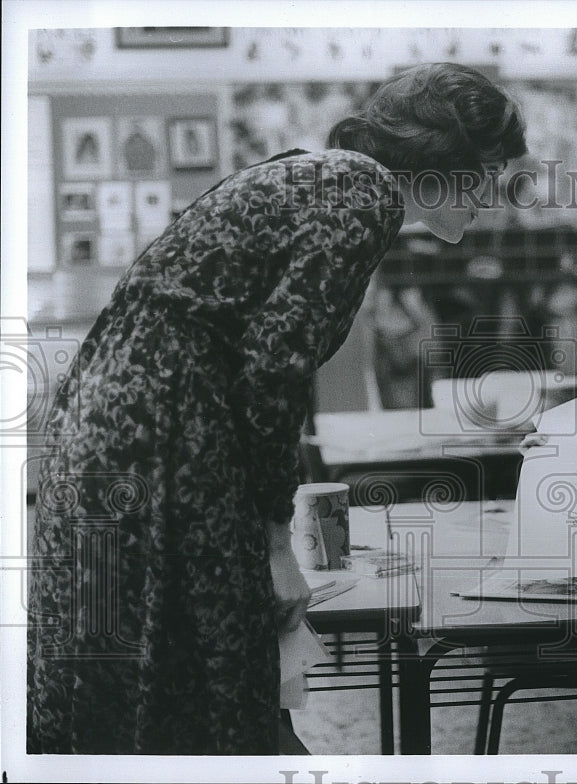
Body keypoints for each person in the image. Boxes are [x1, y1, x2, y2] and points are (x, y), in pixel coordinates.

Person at [27, 62, 526, 755]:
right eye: (493, 170)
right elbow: (274, 370)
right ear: (445, 161)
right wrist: (275, 544)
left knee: (137, 667)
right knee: (206, 674)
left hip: (120, 423)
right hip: (165, 433)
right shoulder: (362, 193)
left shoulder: (325, 175)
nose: (497, 195)